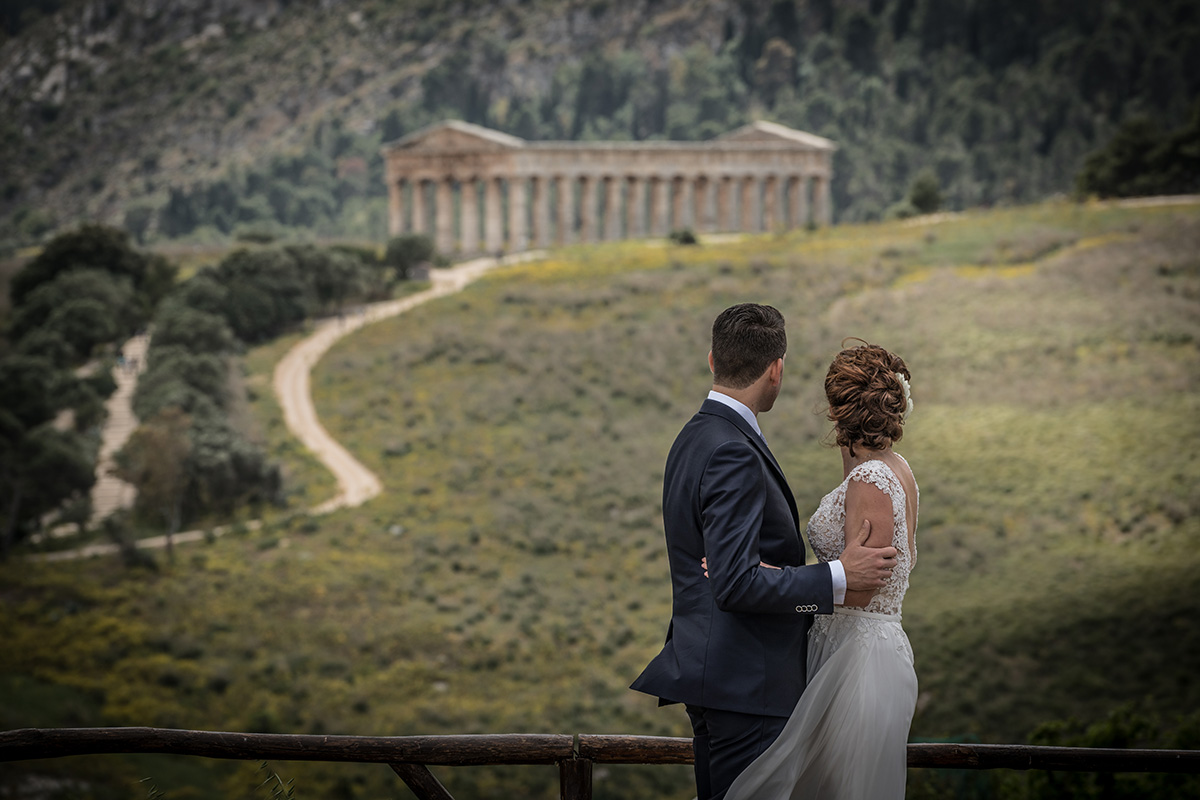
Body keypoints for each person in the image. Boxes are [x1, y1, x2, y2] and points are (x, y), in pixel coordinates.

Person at [630, 305, 898, 800]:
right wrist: (836, 576)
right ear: (776, 369)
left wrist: (753, 574)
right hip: (748, 684)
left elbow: (725, 575)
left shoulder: (692, 436)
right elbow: (735, 585)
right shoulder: (732, 448)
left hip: (713, 675)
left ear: (713, 359)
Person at [723, 339, 920, 800]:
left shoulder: (870, 480)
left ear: (836, 411)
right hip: (860, 648)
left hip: (856, 660)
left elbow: (860, 588)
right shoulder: (897, 467)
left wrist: (766, 576)